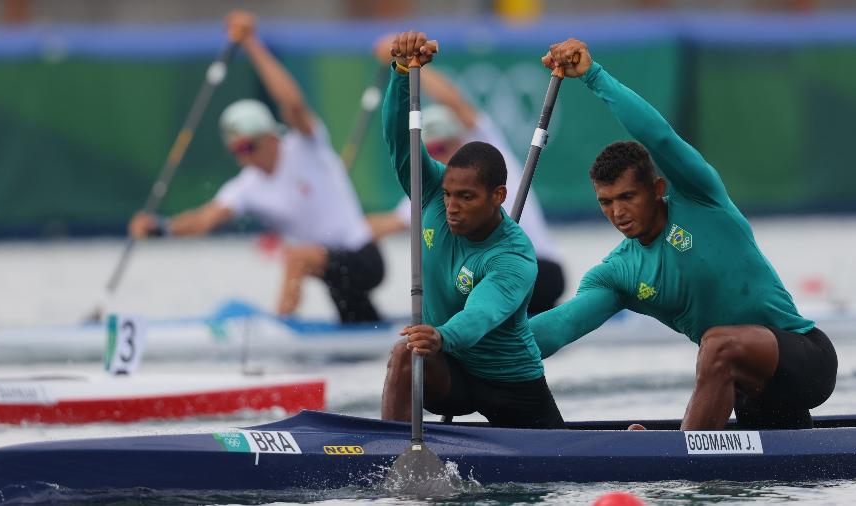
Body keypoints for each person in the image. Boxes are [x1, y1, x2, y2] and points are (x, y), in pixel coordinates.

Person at [532, 38, 837, 430]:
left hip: (806, 361)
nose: (618, 213)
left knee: (717, 345)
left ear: (658, 190)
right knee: (777, 481)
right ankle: (685, 451)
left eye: (627, 197)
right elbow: (559, 327)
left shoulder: (699, 198)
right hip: (746, 390)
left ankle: (681, 460)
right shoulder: (618, 273)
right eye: (606, 202)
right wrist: (464, 346)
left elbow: (659, 137)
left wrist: (594, 76)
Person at [128, 10, 384, 323]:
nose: (243, 157)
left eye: (248, 146)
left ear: (271, 138)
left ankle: (280, 329)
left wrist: (250, 43)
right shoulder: (247, 186)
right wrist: (159, 228)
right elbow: (204, 220)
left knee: (295, 258)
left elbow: (292, 104)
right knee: (360, 324)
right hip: (331, 268)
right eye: (236, 150)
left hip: (365, 258)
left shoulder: (305, 146)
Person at [380, 31, 564, 429]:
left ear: (498, 196)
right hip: (453, 376)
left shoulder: (514, 255)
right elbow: (399, 142)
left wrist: (442, 337)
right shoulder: (430, 193)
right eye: (448, 195)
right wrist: (399, 72)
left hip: (511, 384)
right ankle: (386, 456)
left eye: (466, 197)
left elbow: (480, 314)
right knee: (405, 352)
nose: (451, 206)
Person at [366, 36, 567, 314]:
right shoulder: (436, 188)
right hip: (495, 278)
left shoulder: (487, 150)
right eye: (432, 148)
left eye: (444, 145)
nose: (439, 154)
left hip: (540, 271)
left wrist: (412, 64)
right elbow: (379, 226)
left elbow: (453, 101)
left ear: (460, 139)